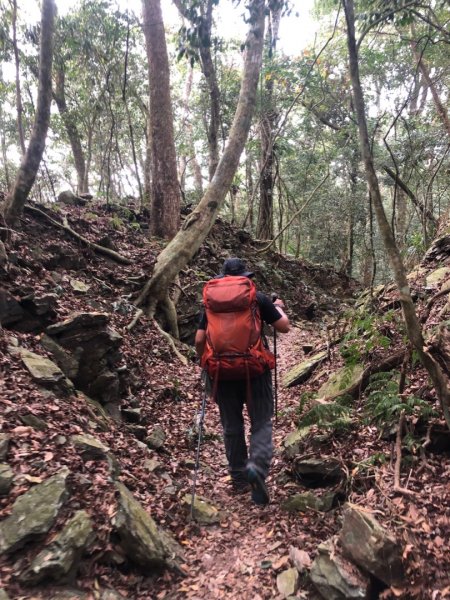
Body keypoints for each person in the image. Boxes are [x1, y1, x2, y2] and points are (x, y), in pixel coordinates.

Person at [195, 258, 289, 505]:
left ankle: (238, 478)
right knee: (260, 421)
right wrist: (278, 307)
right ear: (244, 276)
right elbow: (284, 327)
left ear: (223, 276)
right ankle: (256, 468)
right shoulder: (257, 297)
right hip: (255, 370)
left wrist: (205, 361)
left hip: (222, 373)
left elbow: (198, 339)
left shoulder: (211, 302)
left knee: (231, 425)